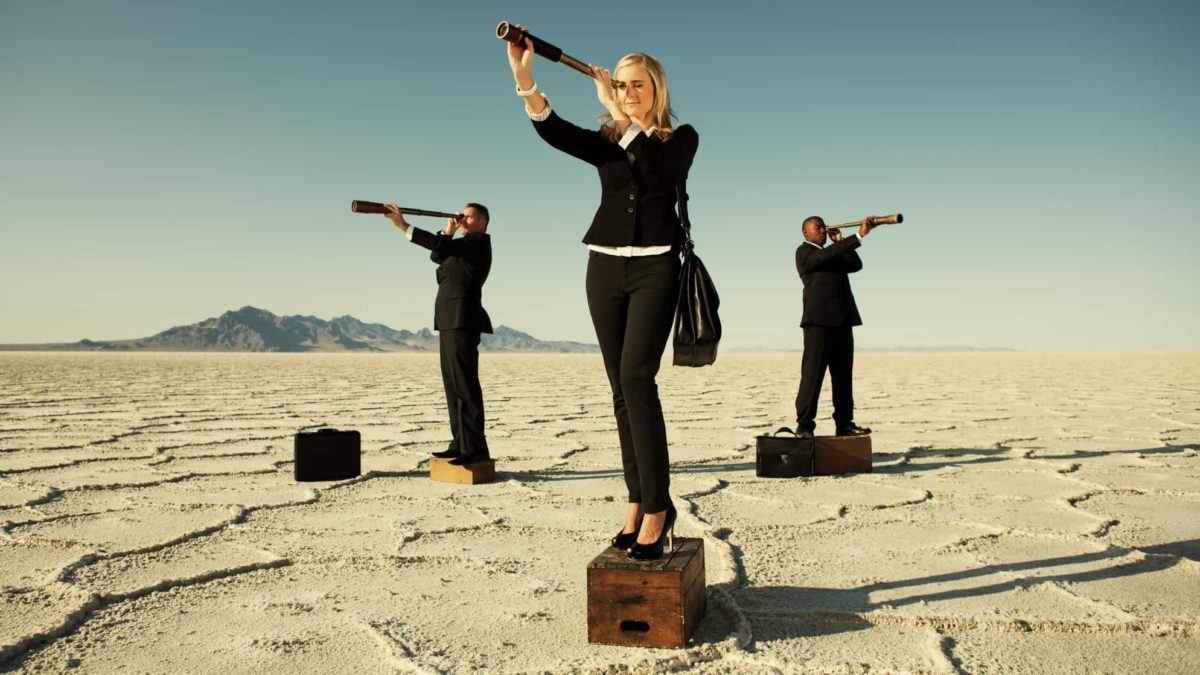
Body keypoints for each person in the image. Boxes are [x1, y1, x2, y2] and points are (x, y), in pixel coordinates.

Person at [505, 29, 698, 560]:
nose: (628, 92)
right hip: (604, 268)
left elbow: (656, 170)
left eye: (637, 85)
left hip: (656, 268)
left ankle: (659, 507)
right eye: (621, 84)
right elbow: (555, 132)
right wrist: (525, 77)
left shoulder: (679, 139)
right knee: (619, 389)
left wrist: (617, 112)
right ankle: (637, 502)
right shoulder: (608, 140)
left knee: (637, 378)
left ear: (656, 89)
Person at [385, 203, 493, 466]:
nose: (461, 219)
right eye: (461, 215)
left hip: (462, 320)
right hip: (447, 320)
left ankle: (475, 449)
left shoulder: (477, 243)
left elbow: (439, 247)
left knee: (465, 385)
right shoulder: (458, 246)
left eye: (467, 216)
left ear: (482, 222)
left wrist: (403, 226)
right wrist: (449, 231)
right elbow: (437, 254)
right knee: (452, 385)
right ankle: (460, 443)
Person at [794, 216, 879, 439]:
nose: (823, 230)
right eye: (818, 227)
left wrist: (840, 242)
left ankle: (844, 423)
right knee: (812, 375)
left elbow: (855, 265)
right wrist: (858, 235)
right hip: (819, 323)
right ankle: (804, 426)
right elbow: (823, 257)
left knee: (843, 377)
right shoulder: (804, 253)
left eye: (824, 227)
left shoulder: (833, 252)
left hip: (843, 321)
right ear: (806, 233)